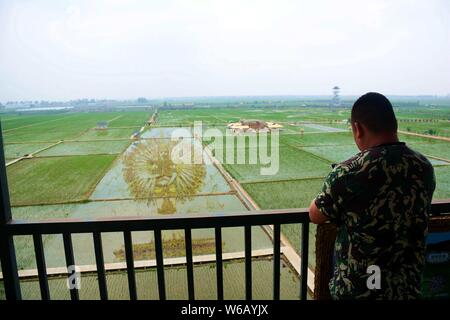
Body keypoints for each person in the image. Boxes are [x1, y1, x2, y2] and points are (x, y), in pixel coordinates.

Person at [309, 92, 436, 299]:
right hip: (407, 290)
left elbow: (315, 215)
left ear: (358, 129)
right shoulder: (423, 167)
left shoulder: (349, 172)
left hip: (360, 291)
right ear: (394, 124)